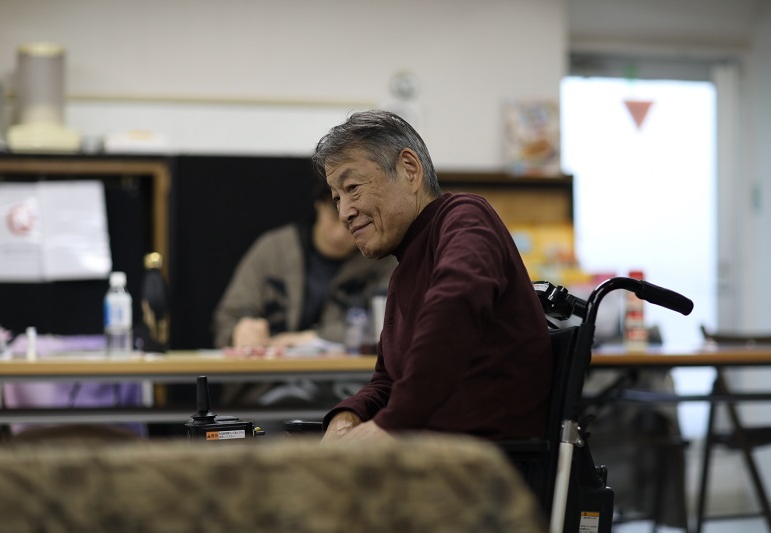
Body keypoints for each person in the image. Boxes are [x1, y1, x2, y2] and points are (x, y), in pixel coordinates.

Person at [315, 110, 553, 444]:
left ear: (409, 170)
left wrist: (392, 423)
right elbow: (388, 380)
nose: (344, 213)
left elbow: (454, 308)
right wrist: (349, 414)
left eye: (352, 188)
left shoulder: (464, 217)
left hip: (486, 459)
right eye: (337, 198)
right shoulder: (403, 271)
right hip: (434, 451)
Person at [212, 179, 396, 405]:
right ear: (319, 205)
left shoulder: (382, 261)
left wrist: (317, 338)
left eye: (352, 223)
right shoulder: (273, 250)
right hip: (266, 390)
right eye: (333, 218)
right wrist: (240, 330)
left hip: (350, 390)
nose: (340, 234)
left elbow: (388, 330)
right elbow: (227, 317)